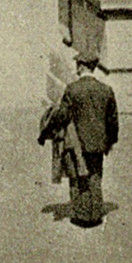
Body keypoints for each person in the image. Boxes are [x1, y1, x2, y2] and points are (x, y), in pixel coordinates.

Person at [39, 55, 119, 228]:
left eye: (77, 65)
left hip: (76, 143)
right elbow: (113, 121)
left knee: (77, 177)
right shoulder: (106, 90)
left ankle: (82, 216)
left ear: (82, 67)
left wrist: (47, 128)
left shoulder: (72, 89)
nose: (76, 68)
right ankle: (96, 214)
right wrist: (110, 142)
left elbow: (62, 115)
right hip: (98, 143)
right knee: (95, 176)